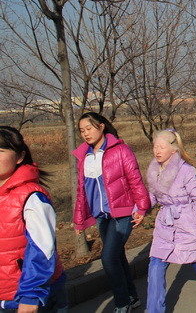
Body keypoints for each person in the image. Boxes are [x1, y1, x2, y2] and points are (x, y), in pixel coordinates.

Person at [73, 112, 150, 313]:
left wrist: (142, 207)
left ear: (101, 127)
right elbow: (82, 190)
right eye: (82, 131)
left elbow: (135, 179)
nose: (85, 134)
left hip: (122, 213)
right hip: (102, 216)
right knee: (117, 256)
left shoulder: (120, 150)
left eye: (89, 128)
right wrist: (79, 220)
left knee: (108, 258)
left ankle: (121, 303)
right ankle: (132, 297)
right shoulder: (84, 156)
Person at [146, 130, 196, 312]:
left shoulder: (186, 170)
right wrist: (140, 210)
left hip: (186, 221)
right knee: (155, 266)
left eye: (161, 147)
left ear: (173, 149)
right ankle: (154, 310)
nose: (157, 151)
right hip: (165, 225)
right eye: (154, 147)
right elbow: (152, 196)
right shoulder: (154, 170)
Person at [0, 126, 67, 313]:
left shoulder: (32, 196)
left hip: (29, 299)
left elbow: (42, 248)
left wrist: (32, 294)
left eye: (0, 151)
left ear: (20, 156)